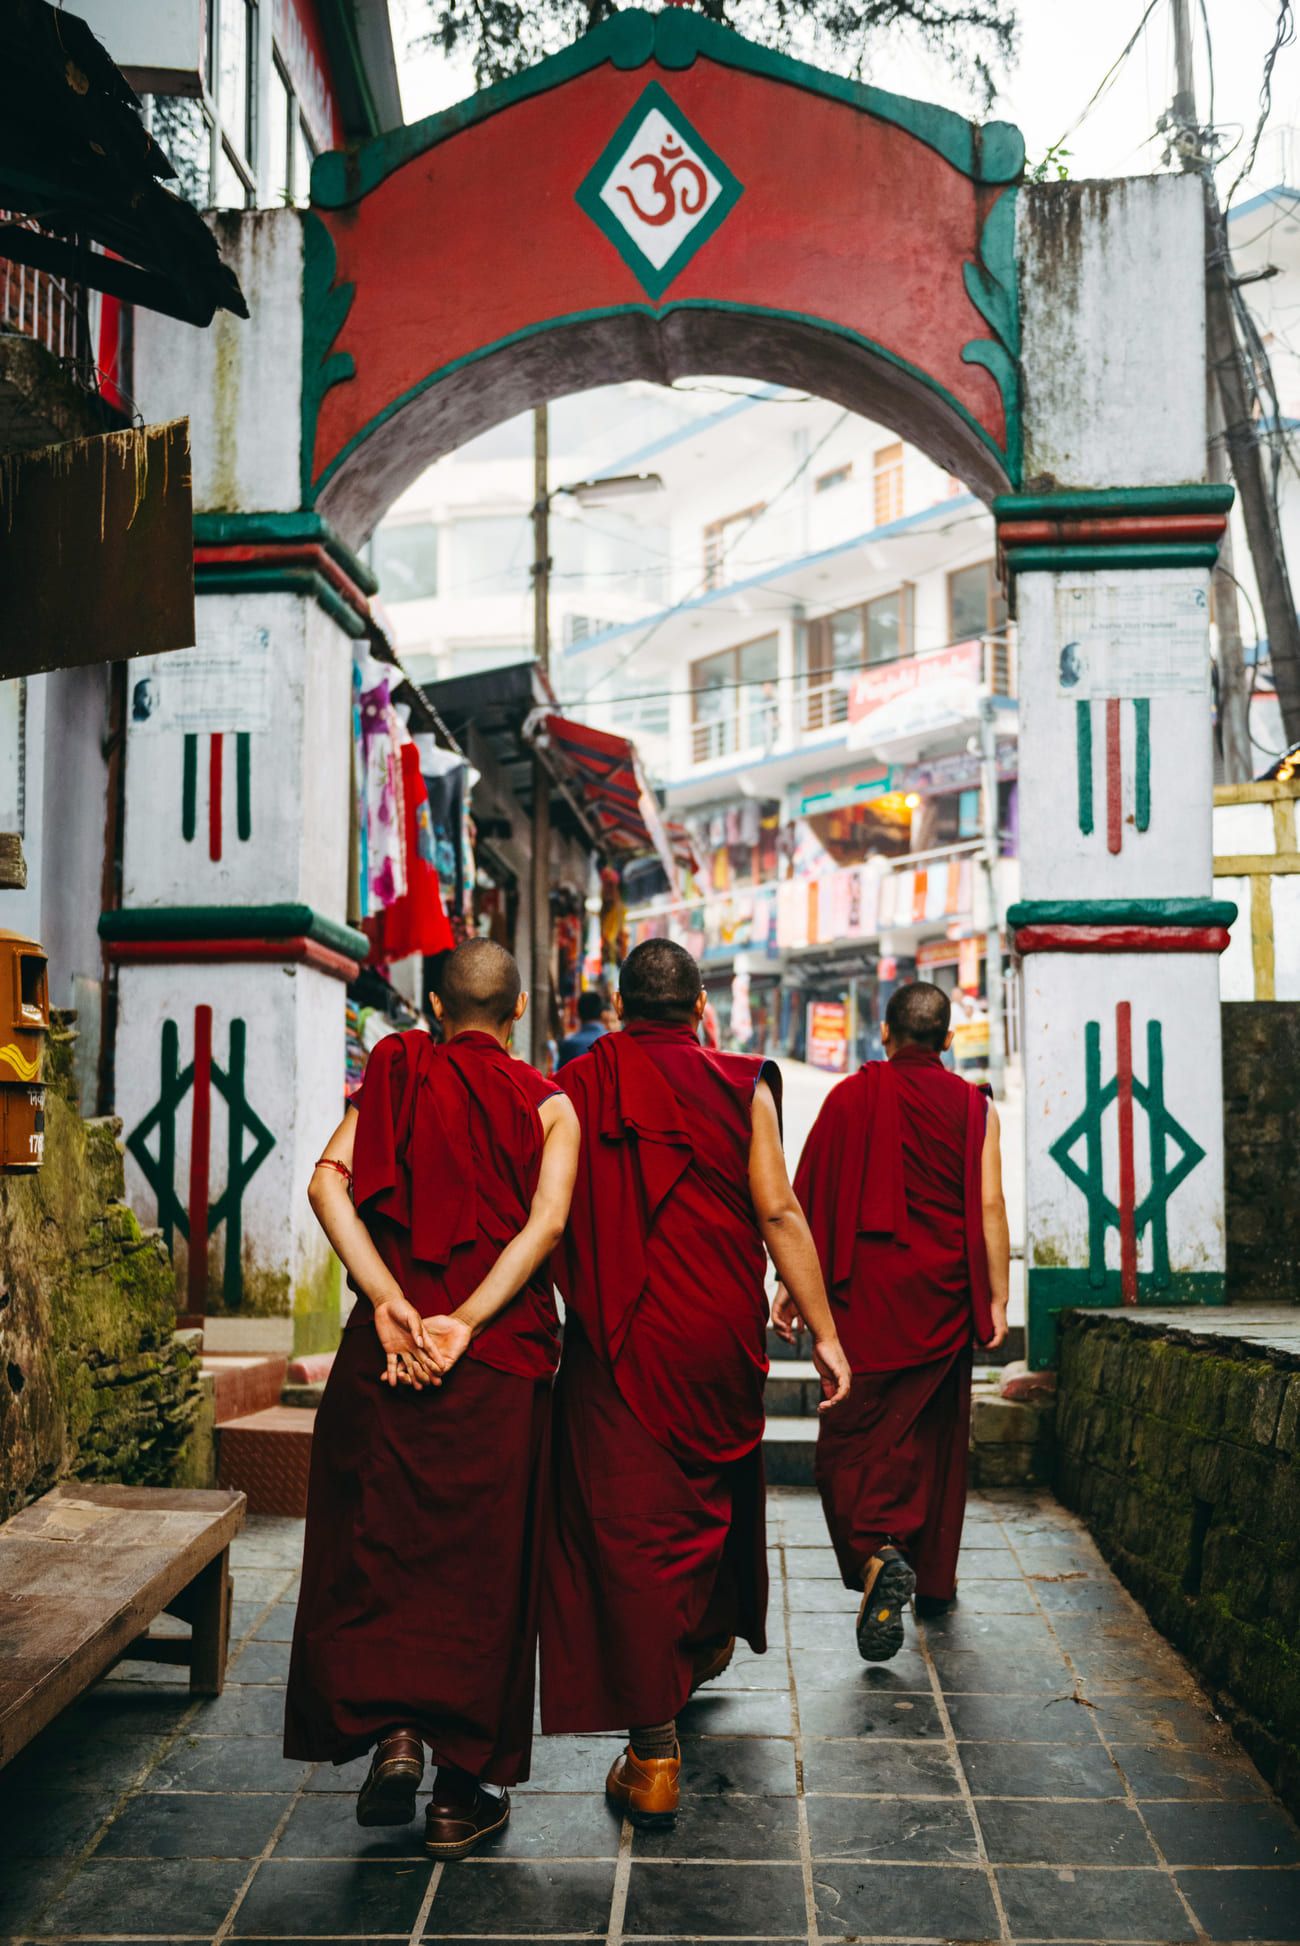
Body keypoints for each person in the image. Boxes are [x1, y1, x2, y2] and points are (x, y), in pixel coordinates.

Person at [541, 938, 851, 1828]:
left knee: (632, 1526)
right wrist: (824, 1332)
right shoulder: (743, 1082)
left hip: (618, 1334)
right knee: (707, 1496)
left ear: (616, 1007)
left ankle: (652, 1750)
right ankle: (699, 1646)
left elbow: (548, 1216)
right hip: (716, 1332)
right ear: (703, 1004)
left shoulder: (577, 1085)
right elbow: (779, 1209)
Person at [285, 940, 580, 1859]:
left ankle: (397, 1733)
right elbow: (547, 1226)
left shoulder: (397, 1070)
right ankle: (462, 1795)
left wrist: (390, 1304)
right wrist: (463, 1324)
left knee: (384, 1548)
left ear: (434, 1009)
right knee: (485, 1575)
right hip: (495, 1367)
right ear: (520, 1010)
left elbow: (328, 1184)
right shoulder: (552, 1103)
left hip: (386, 1361)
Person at [775, 979, 1009, 1663]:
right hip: (941, 1298)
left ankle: (878, 1553)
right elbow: (990, 1205)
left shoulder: (850, 1096)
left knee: (848, 1446)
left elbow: (806, 1197)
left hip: (864, 1303)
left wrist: (792, 1287)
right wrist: (996, 1296)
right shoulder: (975, 1107)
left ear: (884, 1034)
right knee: (935, 1440)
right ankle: (932, 1580)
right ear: (945, 1042)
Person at [557, 988, 608, 1068]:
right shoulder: (611, 1043)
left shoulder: (569, 1044)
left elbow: (561, 1077)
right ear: (602, 1014)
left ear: (578, 1013)